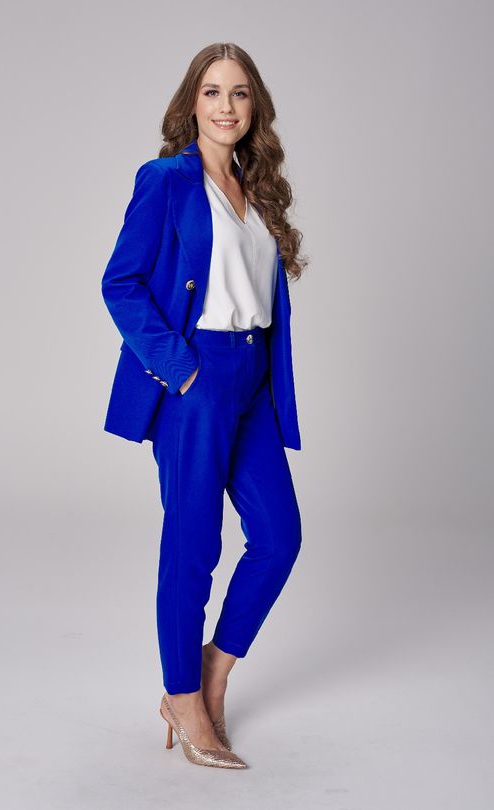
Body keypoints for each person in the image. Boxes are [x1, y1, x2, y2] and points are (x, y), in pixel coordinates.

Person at [101, 42, 308, 769]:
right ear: (192, 102)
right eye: (213, 91)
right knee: (194, 543)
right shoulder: (165, 181)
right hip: (197, 376)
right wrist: (182, 371)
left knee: (279, 538)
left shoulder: (258, 192)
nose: (226, 106)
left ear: (255, 107)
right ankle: (182, 696)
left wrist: (259, 382)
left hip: (251, 380)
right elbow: (120, 282)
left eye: (240, 93)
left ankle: (213, 671)